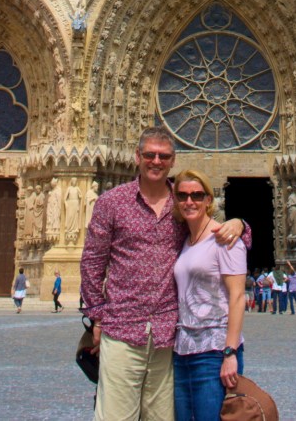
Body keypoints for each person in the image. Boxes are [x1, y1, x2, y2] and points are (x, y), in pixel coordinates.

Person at [80, 127, 249, 421]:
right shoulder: (112, 202)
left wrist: (241, 224)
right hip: (123, 329)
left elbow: (219, 236)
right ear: (137, 156)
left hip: (167, 337)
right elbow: (92, 262)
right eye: (150, 155)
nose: (156, 161)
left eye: (164, 156)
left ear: (173, 160)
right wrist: (97, 317)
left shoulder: (182, 204)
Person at [172, 169, 247, 421]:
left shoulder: (225, 238)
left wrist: (230, 353)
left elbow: (238, 296)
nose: (189, 201)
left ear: (208, 200)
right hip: (182, 351)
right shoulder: (183, 239)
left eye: (196, 195)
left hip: (214, 352)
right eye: (182, 196)